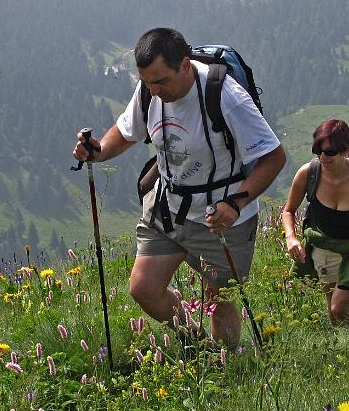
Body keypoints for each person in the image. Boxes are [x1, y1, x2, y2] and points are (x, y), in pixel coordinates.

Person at [72, 28, 286, 347]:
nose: (154, 90)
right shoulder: (149, 90)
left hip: (222, 218)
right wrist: (99, 150)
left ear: (185, 65)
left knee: (219, 300)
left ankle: (224, 365)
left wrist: (235, 203)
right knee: (143, 288)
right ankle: (199, 345)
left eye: (161, 81)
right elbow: (127, 130)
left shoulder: (225, 96)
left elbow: (273, 157)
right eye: (147, 82)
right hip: (167, 208)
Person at [282, 119, 349, 325]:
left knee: (338, 308)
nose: (323, 157)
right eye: (318, 151)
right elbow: (288, 211)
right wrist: (291, 237)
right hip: (326, 245)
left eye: (330, 152)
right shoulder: (308, 174)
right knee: (334, 315)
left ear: (346, 151)